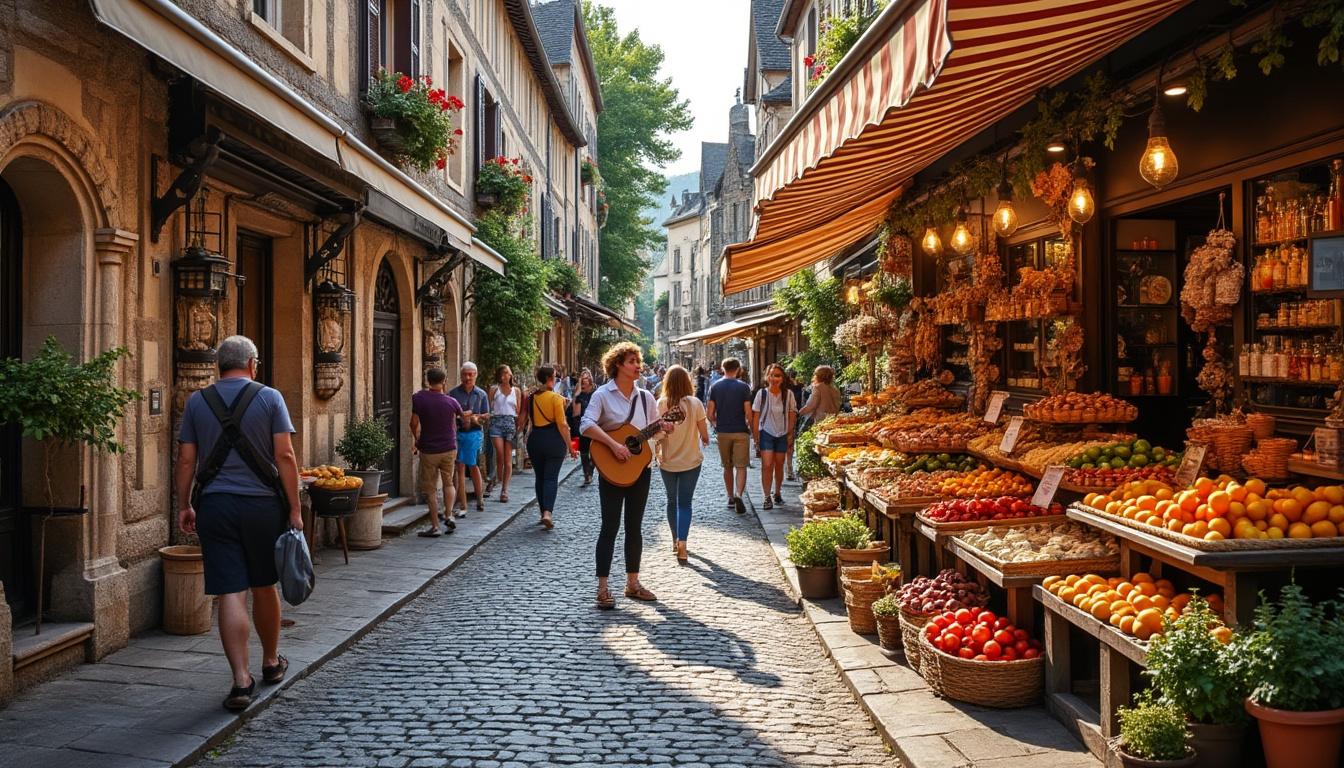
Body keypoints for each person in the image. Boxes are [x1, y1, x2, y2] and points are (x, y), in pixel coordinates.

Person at [174, 335, 299, 711]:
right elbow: (286, 456)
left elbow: (185, 461)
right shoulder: (270, 397)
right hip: (263, 506)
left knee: (230, 590)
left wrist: (184, 505)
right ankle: (271, 662)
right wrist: (294, 508)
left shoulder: (198, 402)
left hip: (215, 505)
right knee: (264, 584)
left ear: (219, 366)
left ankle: (240, 681)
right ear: (252, 363)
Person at [581, 341, 673, 609]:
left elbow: (651, 432)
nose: (637, 366)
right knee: (609, 527)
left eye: (638, 361)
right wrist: (613, 445)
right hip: (611, 470)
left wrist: (665, 427)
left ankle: (632, 584)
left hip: (639, 470)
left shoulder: (645, 397)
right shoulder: (602, 395)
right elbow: (586, 424)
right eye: (632, 361)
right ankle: (602, 588)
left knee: (635, 528)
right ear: (618, 364)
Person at [655, 365, 708, 564]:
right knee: (685, 503)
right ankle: (683, 543)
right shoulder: (695, 403)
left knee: (671, 501)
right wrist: (701, 436)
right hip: (691, 461)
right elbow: (704, 434)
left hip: (667, 461)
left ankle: (674, 540)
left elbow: (656, 431)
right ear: (687, 381)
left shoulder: (661, 403)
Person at [410, 366, 463, 537]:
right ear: (444, 381)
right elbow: (459, 419)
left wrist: (416, 439)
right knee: (448, 483)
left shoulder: (419, 398)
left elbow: (413, 422)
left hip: (429, 449)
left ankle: (435, 526)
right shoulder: (452, 402)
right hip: (449, 447)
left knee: (430, 488)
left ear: (427, 381)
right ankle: (449, 515)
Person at [523, 365, 576, 529]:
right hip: (554, 440)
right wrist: (571, 447)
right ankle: (547, 513)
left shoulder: (530, 398)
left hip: (536, 439)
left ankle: (542, 512)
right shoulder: (556, 398)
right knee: (551, 478)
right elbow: (562, 425)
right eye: (555, 376)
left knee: (540, 477)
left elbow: (526, 421)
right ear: (549, 379)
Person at [706, 357, 753, 515]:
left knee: (727, 466)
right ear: (738, 369)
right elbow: (748, 412)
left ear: (722, 368)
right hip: (740, 431)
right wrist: (748, 426)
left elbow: (710, 413)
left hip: (723, 431)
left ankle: (730, 497)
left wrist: (715, 425)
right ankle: (739, 494)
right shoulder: (744, 387)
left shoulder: (715, 387)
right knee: (741, 466)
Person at [752, 362, 797, 510]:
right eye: (771, 375)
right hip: (766, 432)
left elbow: (792, 414)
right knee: (766, 465)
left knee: (779, 464)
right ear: (767, 377)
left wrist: (790, 433)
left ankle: (777, 492)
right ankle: (766, 497)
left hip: (782, 433)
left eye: (777, 376)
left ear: (782, 378)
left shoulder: (788, 394)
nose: (774, 378)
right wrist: (756, 437)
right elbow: (756, 417)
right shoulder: (762, 394)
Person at [449, 362, 490, 516]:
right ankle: (462, 503)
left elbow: (486, 416)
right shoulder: (453, 394)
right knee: (459, 466)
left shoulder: (481, 394)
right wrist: (460, 416)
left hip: (474, 433)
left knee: (472, 464)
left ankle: (479, 499)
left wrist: (474, 418)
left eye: (470, 374)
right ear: (461, 376)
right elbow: (449, 414)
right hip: (457, 433)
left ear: (475, 375)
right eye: (465, 375)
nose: (468, 378)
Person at [487, 365, 522, 504]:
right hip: (496, 422)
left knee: (508, 459)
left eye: (507, 373)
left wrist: (519, 425)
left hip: (510, 422)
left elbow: (517, 409)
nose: (505, 376)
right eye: (502, 373)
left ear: (511, 375)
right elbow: (490, 406)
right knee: (500, 454)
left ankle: (504, 489)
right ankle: (498, 479)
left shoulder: (516, 391)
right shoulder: (494, 389)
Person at [570, 369, 597, 485]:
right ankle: (587, 474)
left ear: (590, 380)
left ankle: (591, 467)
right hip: (584, 426)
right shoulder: (579, 394)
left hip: (597, 425)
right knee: (584, 452)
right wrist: (576, 394)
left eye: (585, 378)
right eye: (581, 379)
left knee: (597, 451)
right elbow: (575, 413)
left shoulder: (597, 393)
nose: (583, 381)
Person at [784, 369, 807, 482]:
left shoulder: (799, 387)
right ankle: (788, 468)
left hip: (793, 417)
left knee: (789, 445)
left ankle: (789, 469)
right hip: (790, 417)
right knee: (788, 445)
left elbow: (802, 402)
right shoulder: (788, 388)